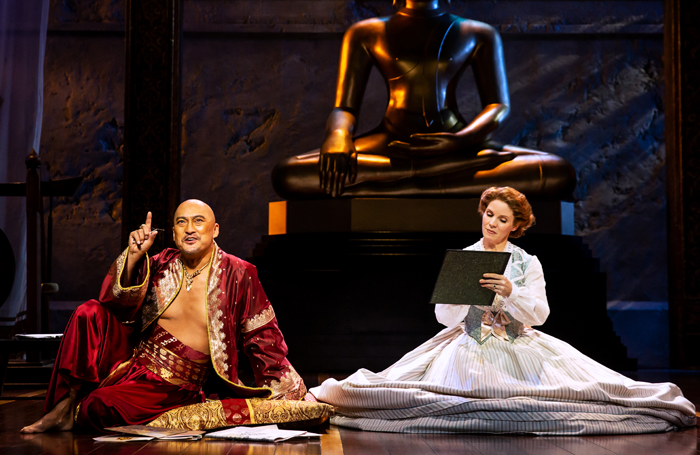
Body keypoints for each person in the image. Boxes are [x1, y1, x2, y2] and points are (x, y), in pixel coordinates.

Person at [310, 187, 697, 434]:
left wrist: (510, 292)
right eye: (489, 214)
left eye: (502, 218)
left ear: (515, 226)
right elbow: (445, 314)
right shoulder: (466, 258)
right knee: (451, 381)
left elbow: (539, 313)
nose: (491, 222)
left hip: (518, 337)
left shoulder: (526, 262)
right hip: (471, 337)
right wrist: (470, 301)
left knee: (570, 382)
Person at [21, 199, 308, 433]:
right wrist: (133, 256)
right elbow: (115, 303)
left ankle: (80, 409)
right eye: (182, 222)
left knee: (97, 406)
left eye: (198, 221)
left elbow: (263, 336)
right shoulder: (161, 263)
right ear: (173, 232)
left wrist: (286, 392)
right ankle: (63, 408)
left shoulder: (238, 273)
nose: (190, 229)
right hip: (134, 359)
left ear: (215, 229)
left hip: (174, 385)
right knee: (88, 311)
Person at [272, 0, 576, 199]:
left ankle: (398, 183)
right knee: (288, 173)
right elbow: (345, 107)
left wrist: (460, 141)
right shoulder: (366, 32)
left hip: (457, 144)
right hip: (391, 144)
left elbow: (498, 106)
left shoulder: (477, 33)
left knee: (556, 171)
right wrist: (338, 135)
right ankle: (423, 178)